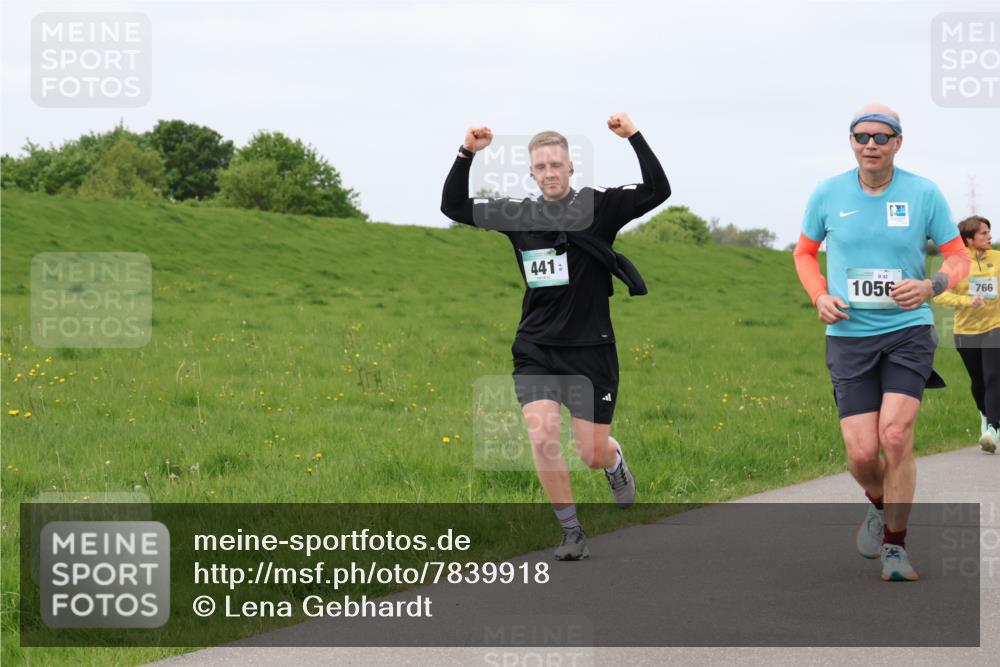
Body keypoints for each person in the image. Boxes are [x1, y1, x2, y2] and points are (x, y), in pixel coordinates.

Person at [440, 113, 670, 560]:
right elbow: (453, 206)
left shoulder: (599, 205)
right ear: (531, 172)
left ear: (570, 168)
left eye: (556, 165)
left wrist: (634, 137)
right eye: (540, 167)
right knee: (542, 434)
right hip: (536, 347)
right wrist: (466, 152)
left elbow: (658, 190)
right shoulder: (518, 215)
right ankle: (570, 532)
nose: (549, 172)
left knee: (591, 452)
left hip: (590, 350)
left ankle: (614, 461)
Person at [793, 103, 971, 582]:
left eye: (881, 136)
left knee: (895, 436)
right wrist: (819, 295)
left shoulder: (923, 193)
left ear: (897, 142)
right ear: (851, 142)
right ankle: (879, 503)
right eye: (861, 136)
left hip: (907, 330)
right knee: (860, 453)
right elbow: (805, 252)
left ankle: (896, 546)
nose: (870, 145)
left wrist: (931, 286)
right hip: (848, 334)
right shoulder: (828, 193)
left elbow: (958, 257)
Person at [933, 215, 1000, 452]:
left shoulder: (998, 259)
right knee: (978, 380)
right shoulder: (955, 264)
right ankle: (984, 414)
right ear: (969, 239)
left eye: (989, 231)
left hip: (995, 326)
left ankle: (993, 429)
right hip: (965, 331)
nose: (989, 236)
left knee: (994, 377)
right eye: (983, 233)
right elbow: (939, 294)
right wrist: (966, 301)